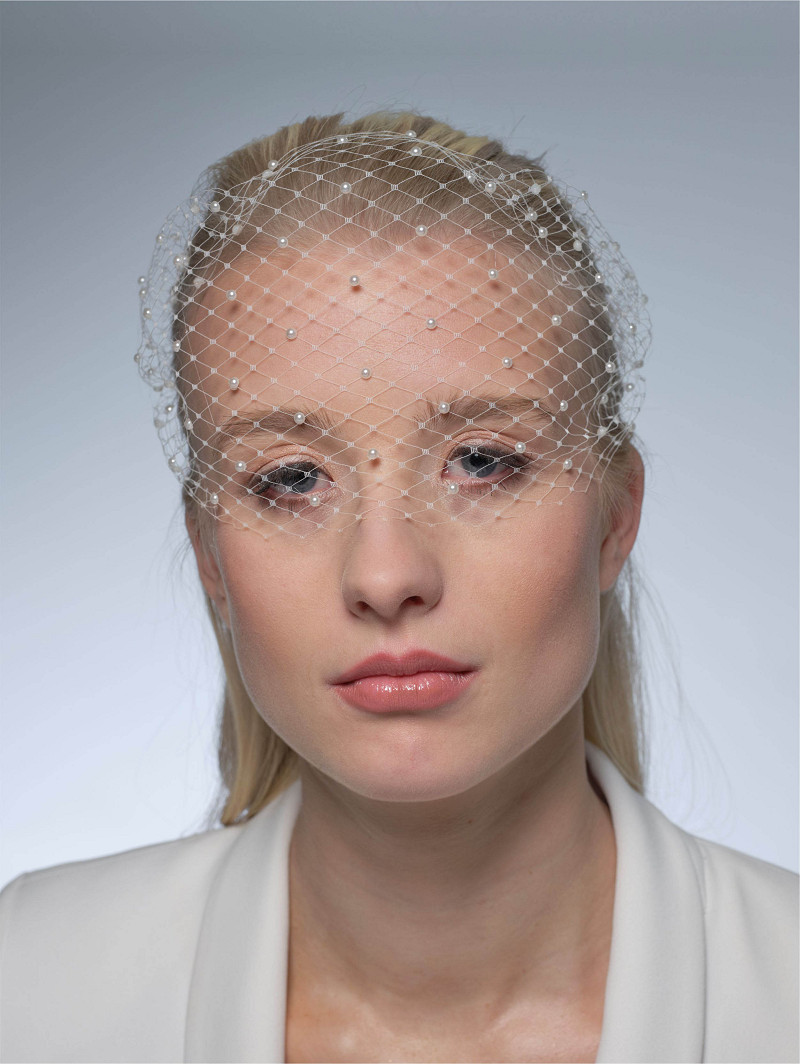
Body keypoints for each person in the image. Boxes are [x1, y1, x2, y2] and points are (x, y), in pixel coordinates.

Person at [0, 111, 796, 1064]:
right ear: (209, 551)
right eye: (290, 479)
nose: (385, 576)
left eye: (484, 461)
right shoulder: (30, 985)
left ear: (614, 518)